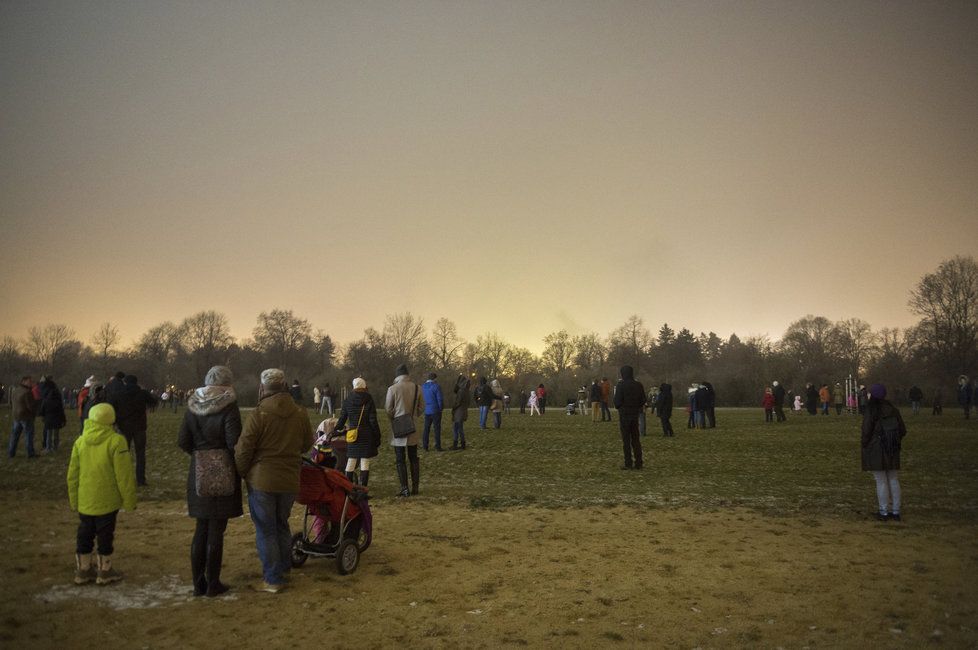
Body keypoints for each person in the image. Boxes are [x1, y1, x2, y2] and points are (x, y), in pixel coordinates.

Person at [234, 368, 313, 593]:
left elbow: (244, 449)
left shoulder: (259, 414)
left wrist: (242, 472)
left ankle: (273, 578)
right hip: (289, 479)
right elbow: (307, 443)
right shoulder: (300, 413)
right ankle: (284, 568)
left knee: (266, 529)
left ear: (262, 388)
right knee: (281, 525)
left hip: (262, 480)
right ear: (285, 385)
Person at [178, 365, 243, 597]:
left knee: (201, 528)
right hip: (223, 470)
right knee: (216, 529)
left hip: (198, 470)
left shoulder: (192, 408)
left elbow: (183, 440)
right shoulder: (230, 408)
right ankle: (212, 582)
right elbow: (233, 441)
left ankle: (198, 584)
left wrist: (200, 456)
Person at [67, 402, 136, 585]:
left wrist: (74, 499)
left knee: (85, 533)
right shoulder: (117, 441)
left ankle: (83, 569)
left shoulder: (80, 442)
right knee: (105, 534)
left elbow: (72, 475)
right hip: (108, 500)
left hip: (85, 499)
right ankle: (105, 570)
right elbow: (124, 475)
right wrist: (129, 500)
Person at [861, 383, 907, 521]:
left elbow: (866, 430)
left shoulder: (871, 410)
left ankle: (883, 511)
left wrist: (865, 443)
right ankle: (896, 510)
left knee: (881, 480)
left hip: (877, 448)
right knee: (893, 479)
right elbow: (903, 430)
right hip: (892, 447)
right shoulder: (893, 409)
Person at [108, 375, 158, 487]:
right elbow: (154, 402)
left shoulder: (119, 393)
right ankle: (140, 479)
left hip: (124, 427)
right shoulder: (142, 393)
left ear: (125, 382)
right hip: (139, 427)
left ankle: (123, 478)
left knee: (123, 454)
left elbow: (111, 407)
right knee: (140, 454)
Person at [336, 377, 380, 486]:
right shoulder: (369, 399)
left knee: (351, 460)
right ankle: (363, 488)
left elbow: (342, 418)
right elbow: (373, 420)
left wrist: (335, 429)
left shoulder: (348, 400)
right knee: (365, 461)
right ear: (364, 386)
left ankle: (348, 488)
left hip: (353, 435)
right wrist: (377, 435)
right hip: (367, 434)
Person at [386, 364, 420, 497]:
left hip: (398, 425)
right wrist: (414, 417)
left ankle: (404, 488)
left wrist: (394, 418)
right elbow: (421, 407)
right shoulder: (418, 388)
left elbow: (388, 409)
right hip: (413, 426)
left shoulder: (392, 388)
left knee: (400, 458)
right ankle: (415, 487)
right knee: (413, 457)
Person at [613, 366, 645, 470]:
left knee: (626, 440)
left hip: (624, 414)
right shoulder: (638, 385)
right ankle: (639, 462)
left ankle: (628, 462)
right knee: (636, 439)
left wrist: (621, 407)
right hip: (635, 414)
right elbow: (642, 400)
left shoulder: (620, 385)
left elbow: (617, 401)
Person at [9, 376, 37, 458]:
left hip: (16, 416)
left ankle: (11, 452)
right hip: (26, 416)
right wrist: (35, 412)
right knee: (28, 435)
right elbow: (31, 406)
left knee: (14, 436)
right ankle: (30, 453)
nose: (31, 383)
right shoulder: (27, 392)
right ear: (24, 381)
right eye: (29, 381)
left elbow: (12, 403)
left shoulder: (15, 391)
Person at [40, 377, 67, 453]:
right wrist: (63, 418)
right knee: (56, 432)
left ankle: (48, 447)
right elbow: (61, 408)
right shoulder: (57, 396)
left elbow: (43, 407)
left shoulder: (46, 397)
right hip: (57, 416)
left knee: (49, 433)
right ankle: (55, 447)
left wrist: (42, 414)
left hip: (48, 416)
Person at [421, 372, 444, 451]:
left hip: (427, 410)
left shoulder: (423, 387)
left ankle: (425, 446)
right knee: (437, 429)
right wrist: (440, 408)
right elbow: (439, 399)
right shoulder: (436, 386)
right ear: (434, 378)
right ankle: (438, 446)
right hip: (435, 410)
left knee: (426, 429)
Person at [451, 374, 470, 450]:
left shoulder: (461, 391)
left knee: (457, 428)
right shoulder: (466, 391)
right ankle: (462, 444)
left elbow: (458, 402)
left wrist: (454, 408)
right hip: (463, 411)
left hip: (459, 412)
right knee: (459, 428)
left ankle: (456, 444)